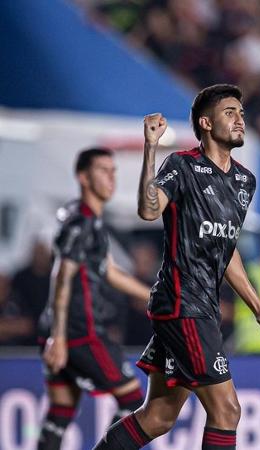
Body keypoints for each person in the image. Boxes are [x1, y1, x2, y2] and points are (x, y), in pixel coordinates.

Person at [93, 84, 260, 450]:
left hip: (200, 309)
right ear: (206, 123)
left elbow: (226, 251)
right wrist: (151, 147)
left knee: (158, 417)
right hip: (182, 304)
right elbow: (150, 210)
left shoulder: (245, 181)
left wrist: (259, 310)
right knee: (227, 410)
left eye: (241, 113)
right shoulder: (182, 166)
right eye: (230, 112)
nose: (240, 118)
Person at [37, 148, 151, 450]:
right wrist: (59, 337)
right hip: (79, 332)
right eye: (103, 170)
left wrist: (153, 295)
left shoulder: (92, 221)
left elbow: (110, 271)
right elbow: (62, 277)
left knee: (60, 411)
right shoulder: (81, 222)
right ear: (83, 178)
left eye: (113, 171)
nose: (111, 177)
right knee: (134, 401)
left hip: (60, 331)